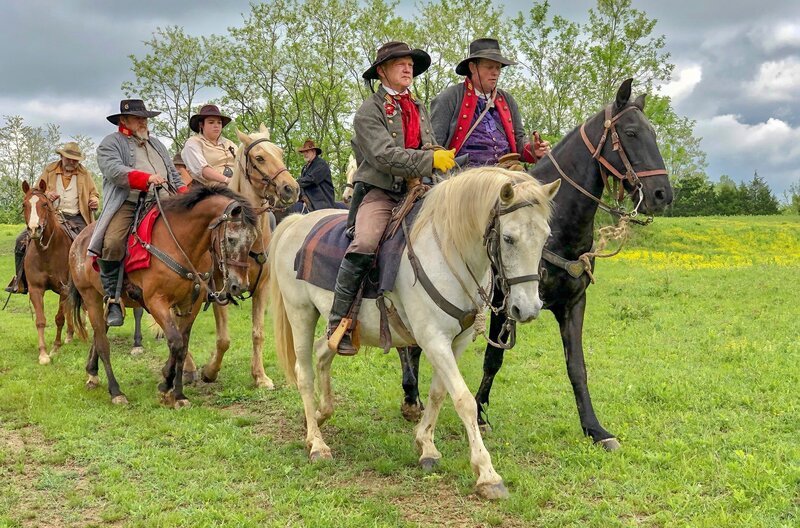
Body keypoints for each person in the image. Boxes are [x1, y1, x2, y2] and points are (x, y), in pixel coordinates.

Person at [327, 41, 455, 356]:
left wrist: (440, 155)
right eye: (400, 63)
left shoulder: (418, 106)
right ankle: (339, 322)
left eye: (410, 63)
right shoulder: (368, 111)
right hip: (380, 191)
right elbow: (384, 156)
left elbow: (428, 145)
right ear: (382, 71)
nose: (408, 67)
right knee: (366, 243)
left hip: (418, 188)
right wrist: (429, 162)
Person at [88, 99, 187, 326]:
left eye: (145, 118)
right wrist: (146, 179)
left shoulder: (157, 144)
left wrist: (185, 194)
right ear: (123, 120)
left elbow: (172, 173)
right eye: (138, 118)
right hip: (129, 202)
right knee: (112, 242)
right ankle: (113, 298)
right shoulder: (110, 143)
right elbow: (114, 170)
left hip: (164, 201)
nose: (143, 121)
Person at [430, 38, 550, 168]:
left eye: (498, 68)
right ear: (472, 67)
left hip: (505, 171)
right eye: (489, 67)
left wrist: (533, 149)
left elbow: (518, 141)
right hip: (464, 175)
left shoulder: (507, 100)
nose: (495, 73)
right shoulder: (449, 98)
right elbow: (435, 146)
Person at [5, 142, 100, 294]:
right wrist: (47, 195)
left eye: (75, 160)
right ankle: (20, 281)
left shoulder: (84, 174)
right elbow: (35, 192)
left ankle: (89, 281)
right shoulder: (49, 170)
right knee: (20, 241)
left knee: (90, 244)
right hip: (51, 216)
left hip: (77, 216)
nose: (71, 162)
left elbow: (94, 193)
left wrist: (94, 200)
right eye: (69, 158)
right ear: (61, 156)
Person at [181, 104, 236, 186]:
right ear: (201, 125)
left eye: (219, 122)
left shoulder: (229, 143)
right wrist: (227, 180)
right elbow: (203, 170)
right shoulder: (193, 143)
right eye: (211, 122)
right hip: (208, 190)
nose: (216, 125)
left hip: (237, 184)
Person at [296, 139, 335, 211]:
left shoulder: (321, 164)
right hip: (308, 201)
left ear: (314, 152)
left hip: (322, 203)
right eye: (304, 152)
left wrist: (294, 183)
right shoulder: (304, 168)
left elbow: (311, 179)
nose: (305, 154)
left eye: (307, 151)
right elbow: (302, 185)